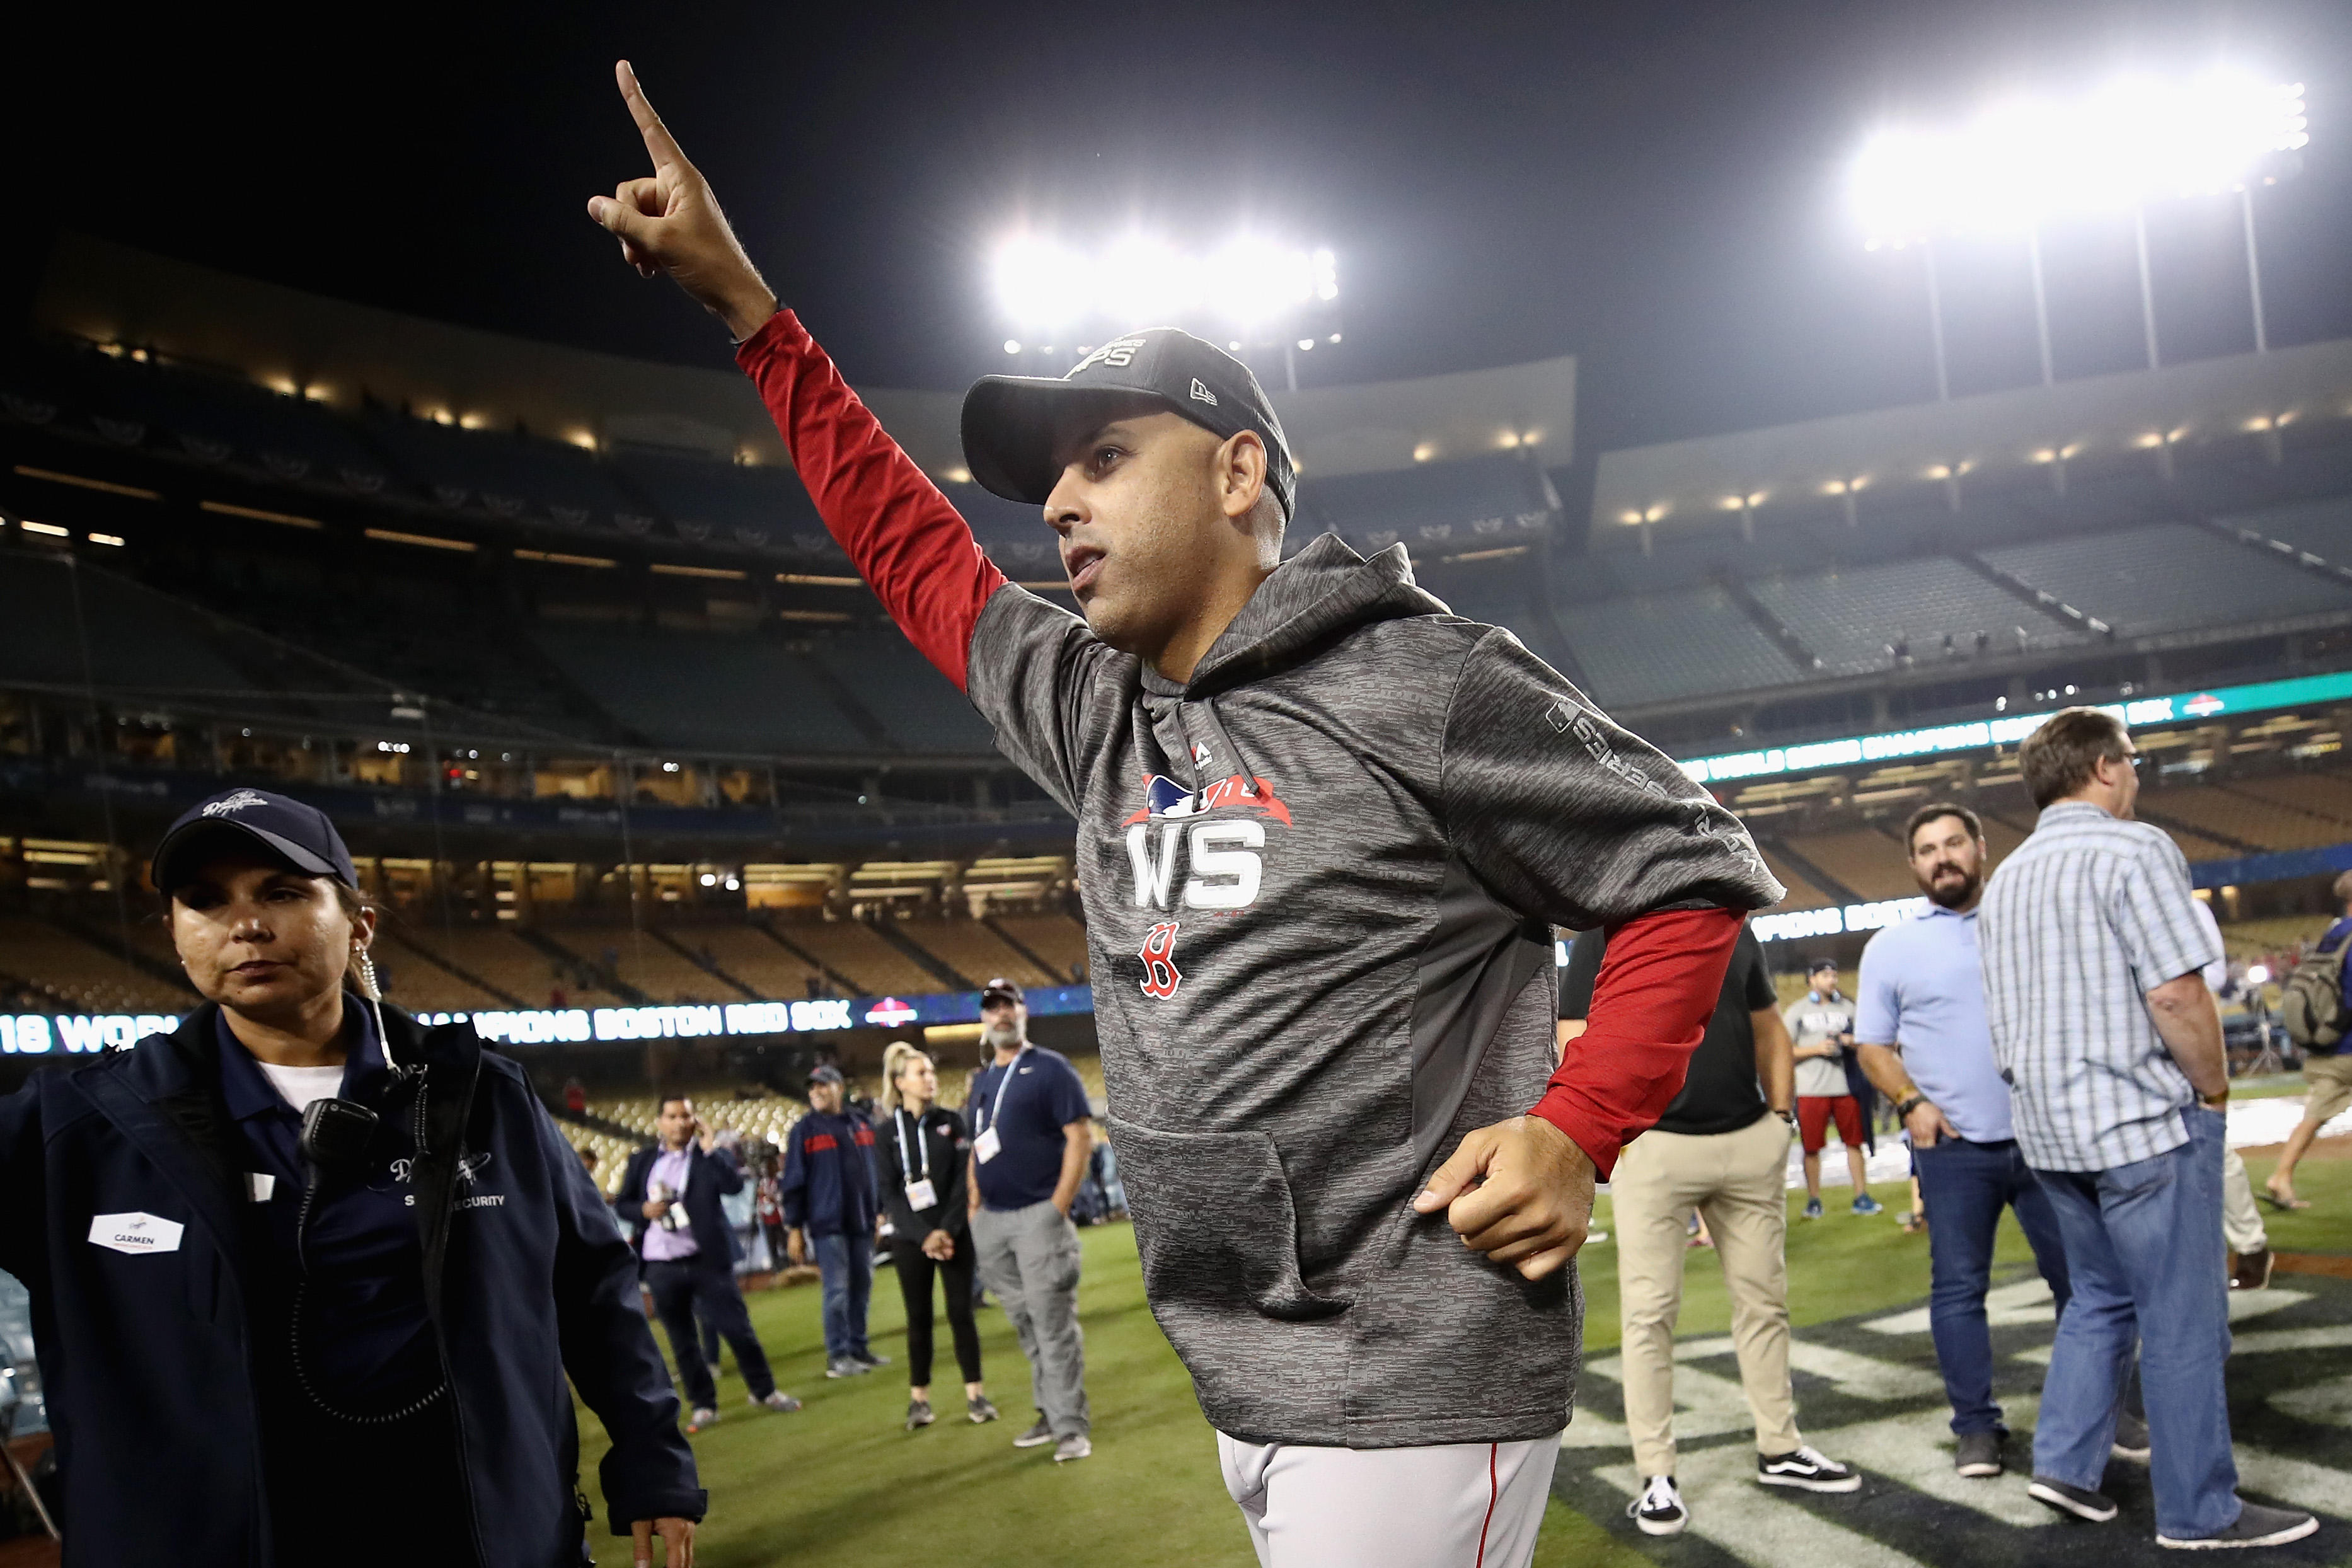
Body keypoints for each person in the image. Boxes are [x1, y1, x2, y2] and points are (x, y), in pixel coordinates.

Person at [589, 64, 1776, 1562]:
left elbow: (1686, 870)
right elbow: (921, 556)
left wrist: (1577, 1126)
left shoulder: (1429, 680)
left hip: (1409, 1365)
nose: (1060, 508)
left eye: (1103, 458)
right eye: (1052, 481)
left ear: (1235, 472)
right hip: (1237, 1360)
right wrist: (757, 321)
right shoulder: (1100, 708)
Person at [0, 787, 703, 1567]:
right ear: (175, 934)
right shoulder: (78, 1128)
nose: (245, 924)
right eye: (204, 901)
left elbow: (593, 1287)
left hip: (478, 1534)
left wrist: (652, 1460)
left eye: (283, 892)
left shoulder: (481, 1096)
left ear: (359, 922)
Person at [1980, 709, 2317, 1548]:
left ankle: (2064, 1467)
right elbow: (2174, 992)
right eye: (2133, 760)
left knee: (2098, 1301)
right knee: (2182, 1318)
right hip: (2137, 1122)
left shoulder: (2009, 877)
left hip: (2049, 1131)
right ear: (2103, 766)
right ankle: (2202, 1512)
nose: (2136, 774)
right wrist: (2212, 1088)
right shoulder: (2136, 848)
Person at [1560, 923, 1859, 1537]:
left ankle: (1780, 1447)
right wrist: (1612, 1132)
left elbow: (1769, 1024)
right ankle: (1657, 1475)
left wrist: (1779, 1117)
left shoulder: (1733, 927)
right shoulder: (1604, 928)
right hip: (1656, 1145)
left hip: (1747, 1138)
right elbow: (1573, 1034)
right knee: (1650, 1313)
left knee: (1765, 1305)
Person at [1853, 801, 2076, 1480]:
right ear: (1914, 864)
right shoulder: (1891, 945)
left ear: (1982, 847)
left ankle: (2101, 1408)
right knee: (1957, 1291)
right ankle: (1977, 1427)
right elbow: (1873, 1046)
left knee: (2085, 1286)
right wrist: (1910, 1102)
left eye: (1954, 843)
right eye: (1927, 849)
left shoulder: (2030, 920)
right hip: (1952, 1148)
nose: (1942, 857)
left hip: (2049, 1137)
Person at [964, 979, 1096, 1461]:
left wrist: (1057, 1206)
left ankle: (1070, 1428)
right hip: (993, 1224)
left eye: (1008, 1006)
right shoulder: (982, 1081)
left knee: (1053, 1324)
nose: (1000, 1014)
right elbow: (977, 1148)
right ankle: (1049, 1411)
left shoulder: (1050, 1069)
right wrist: (974, 1205)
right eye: (992, 1008)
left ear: (1023, 1013)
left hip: (1038, 1217)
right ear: (983, 1018)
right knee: (1026, 1324)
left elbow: (1079, 1136)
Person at [617, 1096, 803, 1430]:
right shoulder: (642, 1161)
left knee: (738, 1329)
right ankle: (703, 1405)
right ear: (660, 1122)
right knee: (682, 1341)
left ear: (695, 1120)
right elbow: (624, 1204)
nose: (680, 1123)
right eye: (673, 1117)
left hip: (707, 1261)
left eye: (686, 1116)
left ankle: (765, 1391)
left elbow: (732, 1186)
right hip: (662, 1265)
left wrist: (709, 1146)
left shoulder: (707, 1157)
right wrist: (643, 1210)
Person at [878, 1040, 998, 1431]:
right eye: (921, 1073)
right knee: (919, 1319)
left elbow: (966, 1181)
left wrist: (946, 1230)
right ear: (900, 1083)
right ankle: (919, 1400)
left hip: (953, 1234)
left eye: (931, 1072)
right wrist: (924, 1235)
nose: (930, 1079)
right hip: (911, 1238)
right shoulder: (885, 1133)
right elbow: (889, 1193)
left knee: (962, 1313)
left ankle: (976, 1394)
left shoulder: (953, 1121)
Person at [2187, 897, 2274, 1289]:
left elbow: (2210, 979)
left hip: (2180, 1041)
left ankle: (2251, 1245)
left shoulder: (2186, 907)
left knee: (2210, 1145)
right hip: (2120, 1051)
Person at [779, 1065, 885, 1379]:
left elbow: (876, 1172)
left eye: (823, 1086)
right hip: (829, 1224)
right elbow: (794, 1182)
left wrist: (878, 1212)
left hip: (863, 1220)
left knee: (862, 1286)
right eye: (812, 1088)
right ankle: (838, 1355)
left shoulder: (861, 1123)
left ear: (839, 1087)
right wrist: (794, 1228)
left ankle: (858, 1347)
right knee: (837, 1290)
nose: (817, 1092)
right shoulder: (804, 1130)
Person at [2264, 868, 2352, 1211]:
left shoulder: (2332, 935)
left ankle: (2281, 1176)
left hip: (2328, 1047)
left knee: (2313, 1116)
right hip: (2349, 1045)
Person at [1784, 958, 1879, 1218]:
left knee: (1854, 1144)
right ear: (1812, 979)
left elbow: (1869, 1040)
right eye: (1825, 975)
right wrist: (1815, 1049)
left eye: (1834, 975)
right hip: (1811, 1088)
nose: (1832, 980)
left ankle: (1861, 1196)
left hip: (1846, 1086)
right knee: (1811, 1148)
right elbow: (1782, 1051)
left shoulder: (1849, 1007)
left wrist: (1852, 1041)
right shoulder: (1797, 1011)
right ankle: (1814, 1200)